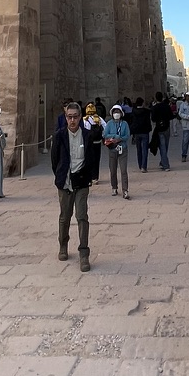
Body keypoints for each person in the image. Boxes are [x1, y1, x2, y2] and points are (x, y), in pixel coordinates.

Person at [51, 102, 95, 271]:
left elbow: (91, 158)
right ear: (65, 117)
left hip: (81, 182)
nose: (72, 120)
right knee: (65, 216)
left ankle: (84, 253)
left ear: (80, 117)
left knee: (82, 216)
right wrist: (61, 176)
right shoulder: (59, 135)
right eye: (69, 117)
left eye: (75, 117)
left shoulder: (87, 135)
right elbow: (55, 160)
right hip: (65, 182)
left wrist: (88, 176)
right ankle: (63, 245)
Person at [102, 104, 130, 199]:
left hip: (122, 148)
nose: (116, 114)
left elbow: (127, 135)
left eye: (118, 112)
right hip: (112, 149)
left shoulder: (124, 124)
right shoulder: (109, 123)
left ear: (121, 113)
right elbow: (105, 134)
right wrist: (114, 137)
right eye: (115, 112)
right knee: (113, 169)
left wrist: (120, 138)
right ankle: (114, 187)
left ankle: (125, 190)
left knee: (123, 170)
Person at [83, 102, 104, 184]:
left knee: (88, 159)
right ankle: (95, 177)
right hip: (97, 142)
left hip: (89, 143)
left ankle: (89, 177)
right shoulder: (99, 119)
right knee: (96, 160)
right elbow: (105, 128)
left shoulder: (85, 120)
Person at [150, 92, 172, 171]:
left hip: (159, 128)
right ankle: (164, 162)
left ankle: (165, 164)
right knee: (165, 146)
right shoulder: (167, 106)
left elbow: (153, 119)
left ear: (156, 98)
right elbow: (170, 116)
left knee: (162, 147)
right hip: (167, 127)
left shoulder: (155, 107)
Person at [130, 97, 152, 173]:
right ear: (142, 103)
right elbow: (148, 121)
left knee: (139, 150)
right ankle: (144, 166)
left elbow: (132, 121)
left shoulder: (133, 111)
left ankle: (140, 165)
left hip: (137, 132)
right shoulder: (146, 112)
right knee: (145, 149)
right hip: (145, 132)